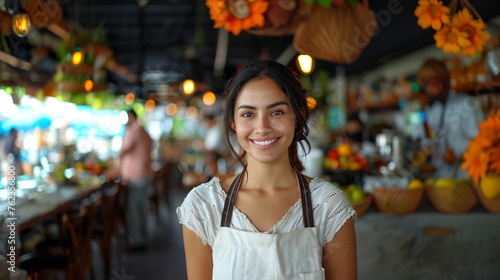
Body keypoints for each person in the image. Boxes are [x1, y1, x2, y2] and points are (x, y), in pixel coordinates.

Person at [177, 60, 357, 279]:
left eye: (277, 112)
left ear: (297, 118)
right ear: (233, 122)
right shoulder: (203, 207)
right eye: (248, 114)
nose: (262, 128)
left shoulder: (329, 206)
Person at [412, 59, 484, 179]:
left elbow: (481, 141)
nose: (429, 89)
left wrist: (457, 154)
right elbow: (426, 139)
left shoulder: (467, 103)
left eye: (433, 84)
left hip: (465, 178)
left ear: (444, 82)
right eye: (427, 85)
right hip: (439, 179)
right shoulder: (431, 110)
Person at [118, 109, 154, 250]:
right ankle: (141, 237)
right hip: (145, 174)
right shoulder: (144, 131)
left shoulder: (134, 131)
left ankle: (137, 241)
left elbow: (123, 151)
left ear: (130, 117)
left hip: (137, 177)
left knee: (133, 210)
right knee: (141, 208)